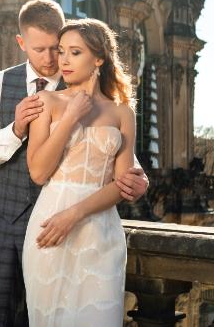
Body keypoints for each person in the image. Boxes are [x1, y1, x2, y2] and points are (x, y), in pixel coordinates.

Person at [0, 0, 146, 326]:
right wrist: (16, 128)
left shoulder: (108, 103)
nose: (54, 59)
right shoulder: (2, 85)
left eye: (61, 49)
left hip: (90, 226)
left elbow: (115, 161)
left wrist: (139, 177)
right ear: (22, 44)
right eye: (43, 50)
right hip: (15, 223)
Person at [22, 18, 148, 326]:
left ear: (100, 58)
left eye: (74, 52)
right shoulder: (46, 101)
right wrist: (70, 119)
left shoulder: (122, 113)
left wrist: (75, 213)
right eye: (61, 51)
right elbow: (38, 172)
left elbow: (123, 184)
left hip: (100, 231)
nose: (62, 59)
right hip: (49, 228)